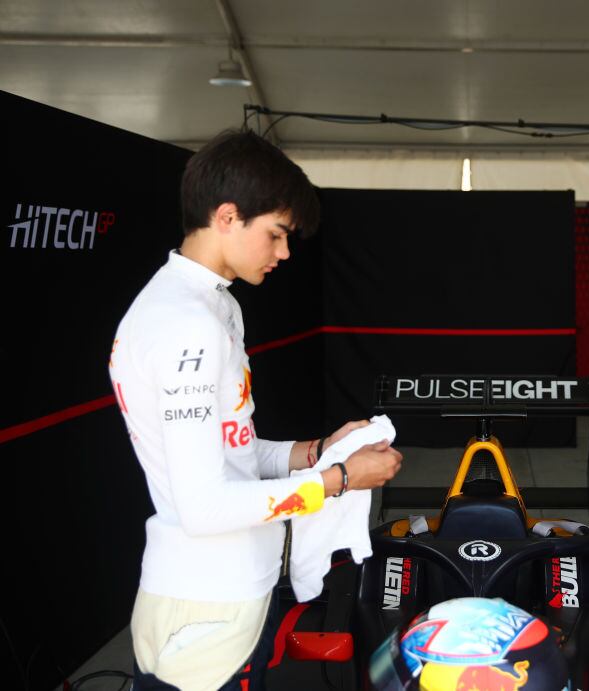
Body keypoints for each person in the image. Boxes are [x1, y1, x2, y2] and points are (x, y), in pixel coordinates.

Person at [108, 130, 403, 690]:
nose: (284, 253)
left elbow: (234, 452)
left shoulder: (212, 305)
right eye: (276, 234)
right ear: (227, 216)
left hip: (233, 589)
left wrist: (318, 450)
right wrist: (338, 479)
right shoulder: (185, 324)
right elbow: (204, 506)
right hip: (207, 603)